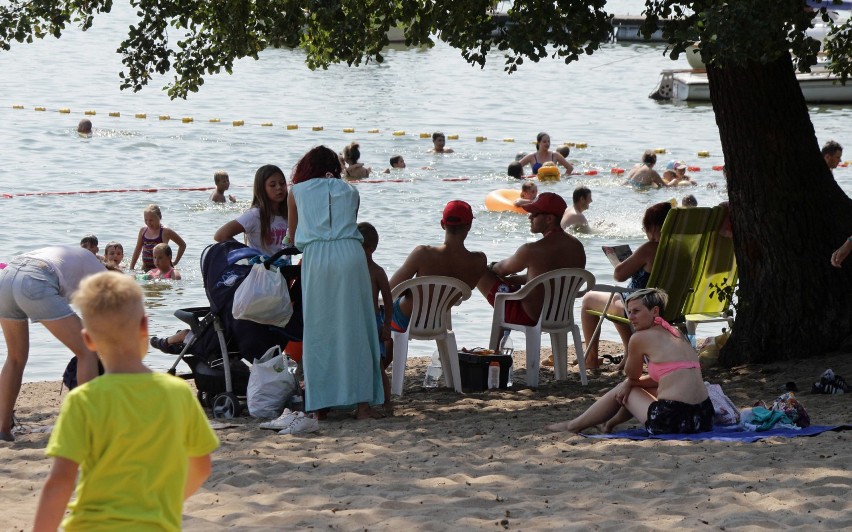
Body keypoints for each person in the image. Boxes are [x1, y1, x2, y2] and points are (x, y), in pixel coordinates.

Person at [32, 272, 218, 530]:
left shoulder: (83, 400)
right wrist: (163, 504)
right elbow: (201, 465)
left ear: (87, 339)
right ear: (144, 326)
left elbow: (61, 481)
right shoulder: (178, 393)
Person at [288, 145, 384, 422]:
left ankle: (320, 404)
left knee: (320, 330)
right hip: (350, 256)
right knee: (356, 329)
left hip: (318, 258)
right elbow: (347, 225)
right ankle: (363, 406)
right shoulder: (350, 191)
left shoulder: (297, 192)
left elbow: (294, 238)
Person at [547, 288, 712, 435]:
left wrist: (629, 382)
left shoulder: (640, 338)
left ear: (655, 311)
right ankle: (608, 423)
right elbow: (667, 376)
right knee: (634, 386)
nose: (631, 317)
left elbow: (631, 375)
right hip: (704, 418)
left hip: (673, 420)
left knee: (627, 388)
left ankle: (573, 426)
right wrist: (632, 383)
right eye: (629, 311)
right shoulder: (675, 332)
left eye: (636, 311)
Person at [0, 245, 106, 442]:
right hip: (35, 279)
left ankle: (3, 429)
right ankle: (88, 426)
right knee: (87, 350)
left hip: (6, 278)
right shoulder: (104, 275)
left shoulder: (78, 263)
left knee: (15, 357)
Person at [581, 202, 672, 369]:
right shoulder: (683, 248)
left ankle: (591, 359)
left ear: (653, 227)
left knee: (589, 299)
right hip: (671, 305)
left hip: (640, 307)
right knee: (619, 297)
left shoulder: (650, 248)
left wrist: (620, 262)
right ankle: (629, 350)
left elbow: (619, 275)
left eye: (647, 228)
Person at [477, 192, 586, 326]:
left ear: (549, 219)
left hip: (530, 317)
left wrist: (491, 267)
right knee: (509, 284)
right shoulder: (577, 246)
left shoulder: (531, 250)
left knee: (477, 270)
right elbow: (549, 278)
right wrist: (512, 279)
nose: (530, 217)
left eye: (535, 214)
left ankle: (497, 343)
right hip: (560, 316)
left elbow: (501, 269)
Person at [389, 200, 489, 330]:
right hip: (437, 322)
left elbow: (391, 289)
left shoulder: (422, 254)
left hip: (402, 320)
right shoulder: (479, 261)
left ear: (443, 224)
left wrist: (414, 289)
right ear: (469, 226)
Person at [214, 164, 289, 259]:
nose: (279, 187)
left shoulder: (289, 213)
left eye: (282, 183)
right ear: (262, 189)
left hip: (284, 271)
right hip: (259, 271)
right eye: (272, 185)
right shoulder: (255, 215)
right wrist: (247, 254)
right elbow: (220, 235)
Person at [357, 222, 394, 414]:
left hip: (373, 321)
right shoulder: (351, 271)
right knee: (358, 362)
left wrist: (387, 324)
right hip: (357, 323)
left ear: (369, 249)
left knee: (377, 365)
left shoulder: (377, 271)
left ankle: (387, 402)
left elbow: (388, 300)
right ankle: (361, 402)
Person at [129, 204, 186, 271]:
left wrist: (175, 262)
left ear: (159, 217)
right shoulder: (143, 231)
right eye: (146, 220)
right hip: (146, 268)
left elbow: (182, 245)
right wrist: (131, 267)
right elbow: (137, 250)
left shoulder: (165, 231)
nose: (148, 223)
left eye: (151, 220)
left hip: (161, 270)